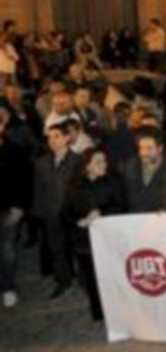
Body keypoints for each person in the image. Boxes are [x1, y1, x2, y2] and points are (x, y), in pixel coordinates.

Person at [62, 148, 125, 321]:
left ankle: (118, 309)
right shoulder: (74, 185)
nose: (103, 165)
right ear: (87, 166)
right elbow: (66, 211)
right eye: (98, 162)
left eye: (104, 161)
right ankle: (99, 312)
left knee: (113, 275)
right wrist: (78, 221)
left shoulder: (113, 182)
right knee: (91, 277)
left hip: (108, 239)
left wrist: (101, 211)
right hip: (84, 240)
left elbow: (121, 206)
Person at [33, 123, 82, 299]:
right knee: (57, 250)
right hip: (52, 214)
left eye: (57, 136)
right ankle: (64, 281)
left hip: (74, 214)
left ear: (67, 138)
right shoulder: (41, 163)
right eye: (49, 137)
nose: (52, 140)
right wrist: (40, 213)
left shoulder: (78, 161)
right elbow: (39, 189)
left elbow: (83, 188)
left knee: (78, 248)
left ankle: (84, 280)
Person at [0, 109, 26, 307]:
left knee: (7, 251)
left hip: (8, 209)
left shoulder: (15, 150)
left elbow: (22, 181)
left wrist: (19, 207)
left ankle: (8, 288)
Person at [123, 127, 166, 212]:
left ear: (160, 149)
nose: (144, 153)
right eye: (141, 148)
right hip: (132, 221)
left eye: (149, 148)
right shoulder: (129, 167)